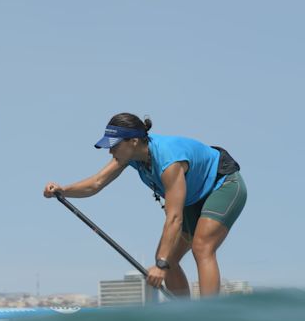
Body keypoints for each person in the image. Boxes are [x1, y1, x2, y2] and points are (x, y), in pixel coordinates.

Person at [43, 113, 247, 297]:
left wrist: (160, 265)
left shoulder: (169, 161)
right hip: (193, 196)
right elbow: (96, 184)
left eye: (114, 145)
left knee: (201, 247)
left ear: (133, 141)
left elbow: (174, 218)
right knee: (168, 259)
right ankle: (187, 317)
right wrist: (63, 190)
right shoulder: (131, 156)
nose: (110, 151)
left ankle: (208, 316)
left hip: (223, 185)